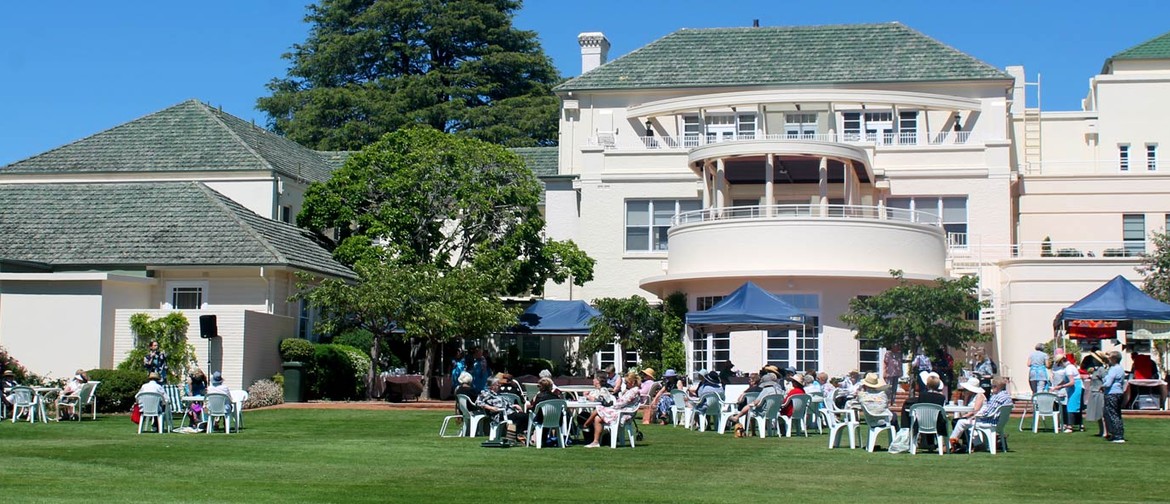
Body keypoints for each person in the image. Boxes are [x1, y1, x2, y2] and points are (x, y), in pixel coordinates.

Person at [948, 378, 1012, 452]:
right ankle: (977, 444)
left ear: (996, 387)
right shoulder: (1006, 396)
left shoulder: (995, 397)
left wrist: (976, 416)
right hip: (999, 422)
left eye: (992, 387)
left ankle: (950, 444)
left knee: (960, 422)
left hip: (988, 421)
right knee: (963, 422)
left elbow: (986, 412)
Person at [584, 373, 642, 448]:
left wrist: (613, 404)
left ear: (632, 382)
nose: (626, 384)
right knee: (597, 418)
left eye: (627, 382)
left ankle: (586, 425)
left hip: (623, 414)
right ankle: (595, 441)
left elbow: (621, 403)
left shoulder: (633, 391)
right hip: (622, 411)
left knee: (598, 408)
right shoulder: (632, 390)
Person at [476, 375, 527, 442]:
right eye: (497, 384)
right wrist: (490, 407)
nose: (499, 386)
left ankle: (515, 434)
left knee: (525, 416)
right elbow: (478, 402)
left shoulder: (498, 394)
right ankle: (516, 435)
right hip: (499, 414)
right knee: (523, 417)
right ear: (491, 386)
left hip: (508, 412)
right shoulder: (485, 393)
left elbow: (506, 404)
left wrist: (514, 405)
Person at [1053, 353, 1084, 433]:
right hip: (1072, 388)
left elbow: (1071, 382)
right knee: (1070, 406)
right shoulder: (1068, 368)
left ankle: (1070, 426)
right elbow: (1065, 380)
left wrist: (1060, 387)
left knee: (1071, 406)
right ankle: (1071, 425)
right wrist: (1057, 386)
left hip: (1076, 387)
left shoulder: (1068, 369)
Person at [1102, 351, 1126, 443]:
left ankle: (1117, 435)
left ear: (1114, 359)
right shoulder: (1121, 368)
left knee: (1111, 413)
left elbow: (1108, 383)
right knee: (1117, 413)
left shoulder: (1113, 369)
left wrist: (1103, 385)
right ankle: (1118, 433)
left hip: (1112, 393)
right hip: (1119, 392)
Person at [1081, 350, 1108, 437]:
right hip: (1094, 391)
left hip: (1099, 392)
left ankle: (1105, 431)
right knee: (1098, 414)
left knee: (1102, 414)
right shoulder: (1095, 370)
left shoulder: (1102, 370)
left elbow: (1106, 381)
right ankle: (1101, 431)